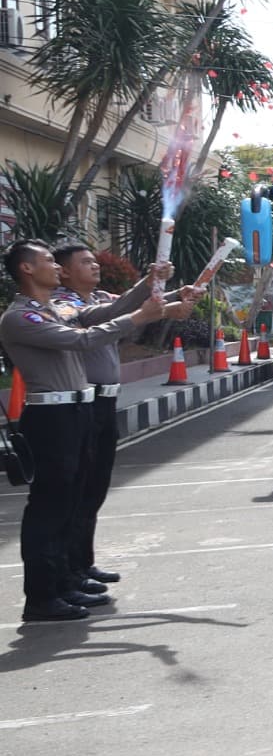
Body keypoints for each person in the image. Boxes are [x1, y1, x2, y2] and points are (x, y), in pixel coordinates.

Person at [2, 243, 166, 623]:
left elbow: (104, 313)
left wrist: (151, 285)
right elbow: (83, 339)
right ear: (26, 269)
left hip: (75, 412)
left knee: (71, 503)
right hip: (51, 417)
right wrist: (139, 316)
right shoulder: (21, 317)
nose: (55, 267)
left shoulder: (56, 310)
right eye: (48, 261)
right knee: (49, 508)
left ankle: (64, 581)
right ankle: (41, 597)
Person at [54, 242, 209, 603]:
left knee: (95, 487)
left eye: (94, 260)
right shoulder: (64, 304)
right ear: (64, 272)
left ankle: (83, 563)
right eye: (85, 262)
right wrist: (150, 282)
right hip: (83, 402)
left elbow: (136, 308)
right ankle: (69, 570)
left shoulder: (100, 296)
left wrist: (178, 296)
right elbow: (115, 312)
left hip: (106, 401)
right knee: (78, 490)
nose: (95, 266)